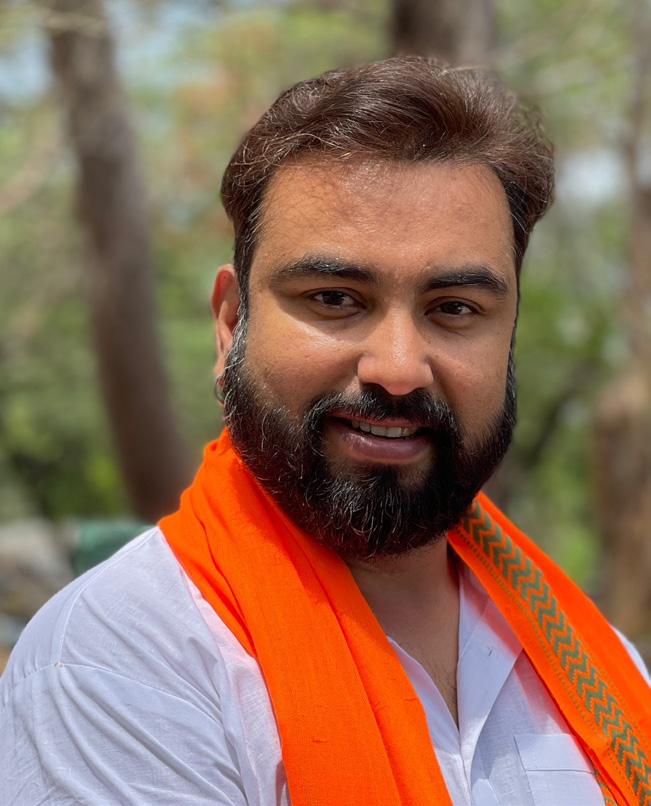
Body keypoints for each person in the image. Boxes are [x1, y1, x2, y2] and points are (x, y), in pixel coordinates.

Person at [1, 56, 650, 806]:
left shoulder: (599, 669)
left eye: (454, 309)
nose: (398, 368)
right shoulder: (121, 663)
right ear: (231, 324)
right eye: (335, 298)